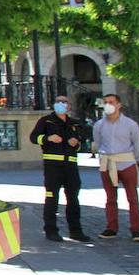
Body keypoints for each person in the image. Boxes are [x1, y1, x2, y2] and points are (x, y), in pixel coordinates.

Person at [29, 95, 90, 242]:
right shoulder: (46, 121)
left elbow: (82, 141)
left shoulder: (74, 124)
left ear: (69, 106)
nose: (61, 104)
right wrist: (47, 138)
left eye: (64, 102)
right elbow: (33, 137)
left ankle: (76, 231)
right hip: (53, 166)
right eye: (58, 102)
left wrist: (76, 143)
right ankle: (51, 230)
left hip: (71, 166)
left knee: (73, 199)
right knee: (52, 198)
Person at [91, 93, 139, 242]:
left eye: (111, 102)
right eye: (106, 102)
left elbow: (138, 144)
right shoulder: (99, 125)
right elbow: (98, 143)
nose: (108, 105)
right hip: (108, 163)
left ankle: (136, 230)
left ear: (118, 105)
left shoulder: (130, 124)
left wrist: (134, 159)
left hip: (126, 162)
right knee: (110, 198)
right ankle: (111, 228)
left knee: (132, 198)